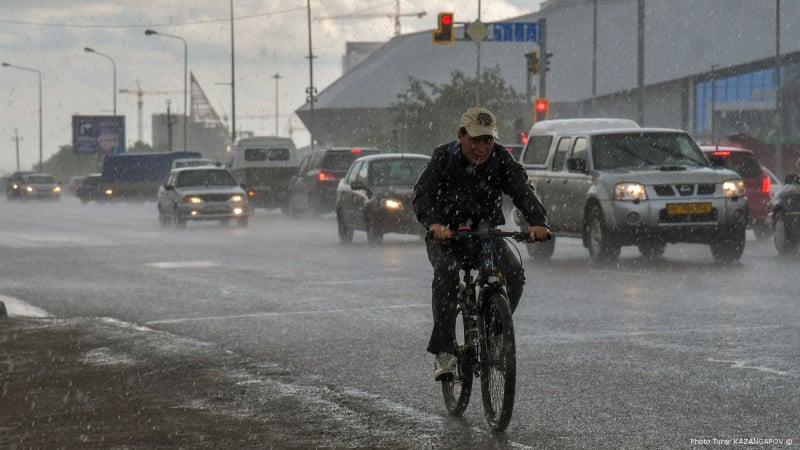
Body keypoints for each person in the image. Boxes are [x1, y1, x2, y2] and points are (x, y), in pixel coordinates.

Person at [413, 107, 550, 382]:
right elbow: (422, 196)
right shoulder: (443, 157)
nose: (482, 147)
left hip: (484, 235)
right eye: (475, 139)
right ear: (460, 135)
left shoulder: (501, 159)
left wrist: (537, 221)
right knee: (447, 275)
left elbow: (522, 189)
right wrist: (434, 224)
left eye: (488, 140)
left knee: (513, 273)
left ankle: (495, 332)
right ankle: (444, 351)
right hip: (447, 237)